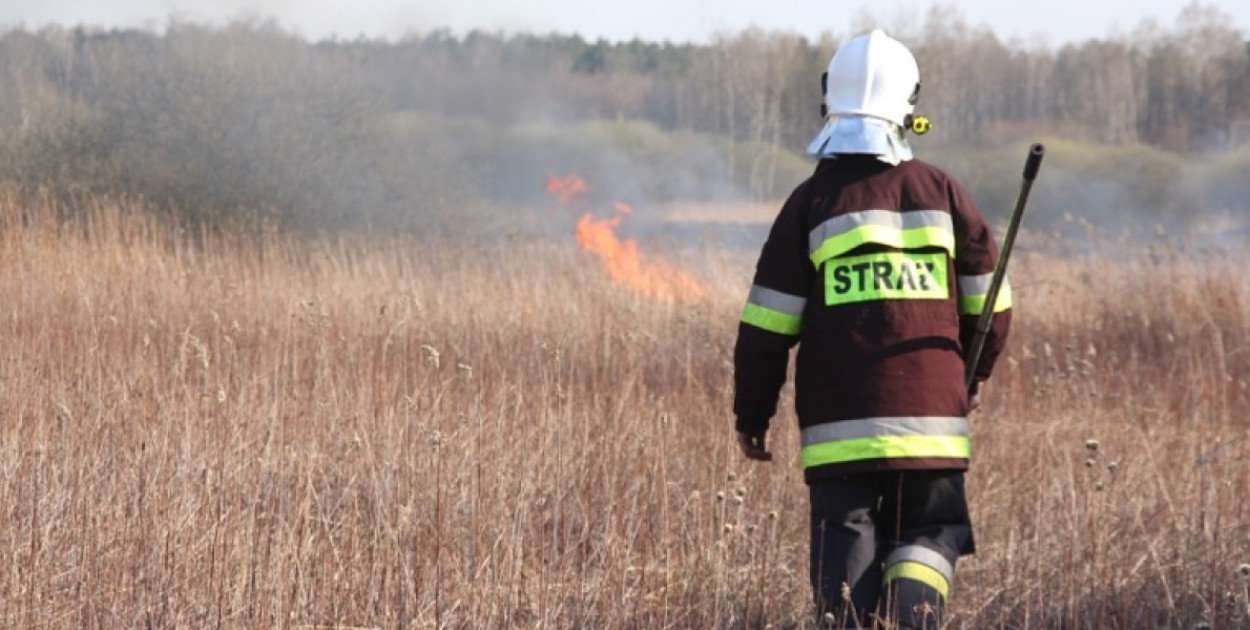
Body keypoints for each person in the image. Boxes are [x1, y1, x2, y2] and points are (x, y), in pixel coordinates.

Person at [732, 30, 1012, 629]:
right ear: (909, 105)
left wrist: (751, 417)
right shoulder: (944, 193)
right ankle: (912, 621)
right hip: (932, 420)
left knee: (846, 545)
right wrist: (968, 379)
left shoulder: (811, 203)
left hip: (838, 427)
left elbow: (765, 329)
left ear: (829, 101)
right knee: (931, 532)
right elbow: (992, 309)